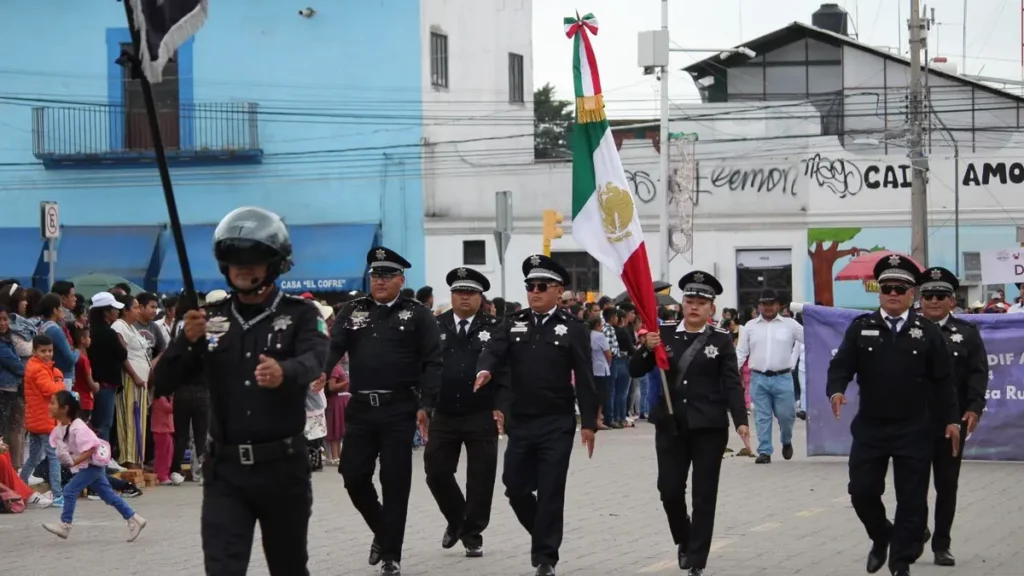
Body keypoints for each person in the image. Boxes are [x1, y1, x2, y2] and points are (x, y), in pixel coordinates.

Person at [151, 206, 330, 576]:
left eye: (254, 260)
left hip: (282, 468)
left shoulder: (302, 315)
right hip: (225, 471)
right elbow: (163, 383)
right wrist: (185, 341)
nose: (243, 268)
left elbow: (314, 360)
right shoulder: (209, 319)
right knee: (223, 567)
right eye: (235, 261)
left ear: (275, 263)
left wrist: (286, 371)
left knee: (289, 566)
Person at [826, 255, 961, 576]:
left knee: (912, 501)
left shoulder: (927, 332)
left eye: (900, 288)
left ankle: (900, 564)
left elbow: (944, 381)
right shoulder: (861, 328)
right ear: (879, 292)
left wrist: (952, 420)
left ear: (912, 293)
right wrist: (836, 390)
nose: (893, 293)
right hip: (871, 428)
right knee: (862, 492)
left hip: (914, 429)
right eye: (887, 287)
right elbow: (841, 366)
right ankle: (881, 536)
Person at [474, 254, 599, 576]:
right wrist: (485, 369)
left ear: (559, 291)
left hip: (556, 421)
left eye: (542, 286)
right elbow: (493, 351)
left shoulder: (573, 328)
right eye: (530, 286)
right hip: (522, 421)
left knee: (551, 489)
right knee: (514, 487)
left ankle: (545, 558)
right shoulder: (513, 322)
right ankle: (543, 535)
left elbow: (585, 377)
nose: (535, 291)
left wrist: (588, 424)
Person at [327, 246, 443, 576]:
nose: (379, 281)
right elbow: (333, 349)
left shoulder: (417, 314)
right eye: (375, 275)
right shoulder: (352, 311)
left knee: (394, 482)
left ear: (400, 279)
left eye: (387, 275)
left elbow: (434, 362)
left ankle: (392, 554)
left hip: (398, 409)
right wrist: (319, 375)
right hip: (361, 408)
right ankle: (383, 529)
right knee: (352, 476)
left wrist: (426, 405)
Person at [630, 271, 751, 576]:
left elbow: (732, 384)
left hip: (708, 427)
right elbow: (635, 369)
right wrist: (646, 346)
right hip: (671, 423)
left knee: (704, 494)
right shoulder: (664, 333)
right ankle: (685, 539)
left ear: (712, 307)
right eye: (690, 300)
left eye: (701, 302)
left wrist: (740, 421)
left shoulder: (721, 340)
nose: (694, 306)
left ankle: (697, 558)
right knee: (669, 490)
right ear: (682, 303)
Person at [425, 267, 508, 559]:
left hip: (480, 412)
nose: (464, 297)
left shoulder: (497, 327)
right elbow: (424, 367)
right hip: (444, 412)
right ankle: (458, 520)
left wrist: (502, 406)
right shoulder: (434, 325)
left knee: (481, 478)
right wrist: (423, 406)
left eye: (470, 292)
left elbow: (505, 371)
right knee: (436, 472)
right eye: (459, 292)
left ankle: (472, 534)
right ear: (451, 295)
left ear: (480, 297)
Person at [916, 267, 989, 566]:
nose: (933, 301)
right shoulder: (906, 331)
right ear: (920, 300)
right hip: (913, 422)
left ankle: (941, 545)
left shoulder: (967, 334)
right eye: (928, 295)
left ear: (952, 301)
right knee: (913, 484)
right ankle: (916, 530)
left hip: (950, 423)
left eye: (940, 296)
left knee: (946, 485)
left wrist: (973, 408)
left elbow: (978, 374)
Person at [43, 390, 147, 540]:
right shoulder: (62, 428)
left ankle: (65, 525)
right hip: (89, 467)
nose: (49, 407)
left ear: (64, 408)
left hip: (92, 467)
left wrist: (73, 461)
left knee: (69, 490)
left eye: (53, 403)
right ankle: (135, 518)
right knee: (108, 495)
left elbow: (92, 447)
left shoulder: (78, 427)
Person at [734, 289, 803, 464]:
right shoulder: (750, 326)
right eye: (764, 304)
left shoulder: (790, 324)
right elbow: (742, 351)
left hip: (783, 377)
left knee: (787, 416)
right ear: (759, 306)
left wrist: (816, 318)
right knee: (761, 417)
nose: (768, 307)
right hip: (759, 378)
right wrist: (732, 370)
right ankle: (764, 451)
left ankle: (786, 440)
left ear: (779, 305)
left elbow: (811, 337)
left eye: (772, 304)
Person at [20, 334, 65, 506]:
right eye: (43, 351)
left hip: (35, 421)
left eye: (50, 351)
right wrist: (60, 381)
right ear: (34, 351)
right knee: (54, 457)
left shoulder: (35, 365)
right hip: (45, 421)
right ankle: (57, 494)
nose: (47, 354)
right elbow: (50, 390)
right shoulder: (39, 369)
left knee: (34, 457)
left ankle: (20, 487)